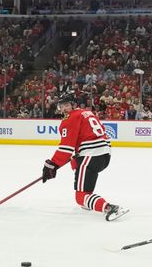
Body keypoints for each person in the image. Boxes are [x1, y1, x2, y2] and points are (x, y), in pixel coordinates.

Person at [41, 92, 128, 221]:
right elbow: (79, 146)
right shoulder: (86, 113)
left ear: (73, 105)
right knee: (80, 173)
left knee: (80, 197)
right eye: (61, 106)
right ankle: (90, 201)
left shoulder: (69, 119)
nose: (64, 109)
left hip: (91, 155)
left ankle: (110, 208)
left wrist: (51, 165)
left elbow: (66, 148)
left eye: (66, 105)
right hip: (104, 155)